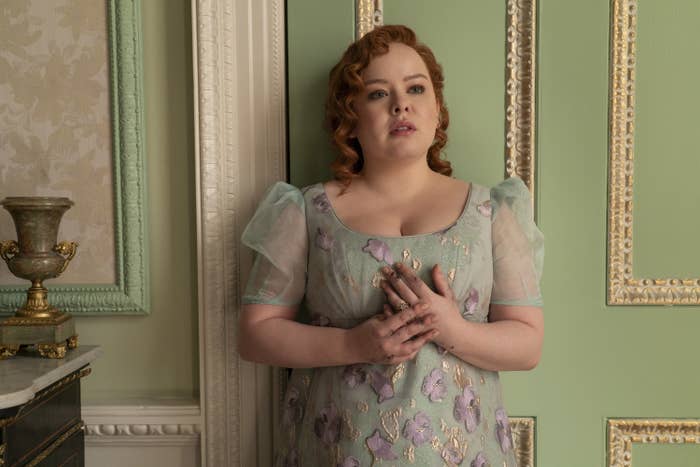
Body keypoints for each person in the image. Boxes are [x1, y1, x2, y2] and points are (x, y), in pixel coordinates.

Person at [239, 25, 544, 467]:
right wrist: (353, 346)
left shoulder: (492, 213)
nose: (401, 103)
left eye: (416, 88)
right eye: (378, 93)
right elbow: (255, 335)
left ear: (436, 110)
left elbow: (528, 344)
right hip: (336, 450)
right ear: (350, 119)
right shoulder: (306, 211)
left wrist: (453, 330)